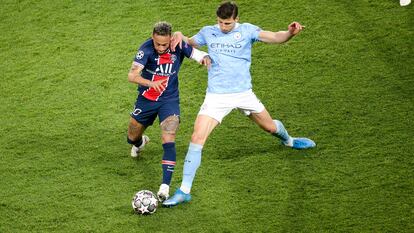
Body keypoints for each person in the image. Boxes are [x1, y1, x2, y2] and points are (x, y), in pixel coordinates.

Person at [163, 1, 315, 207]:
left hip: (244, 94)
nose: (223, 27)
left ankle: (289, 140)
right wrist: (180, 34)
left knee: (269, 127)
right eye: (220, 22)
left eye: (227, 23)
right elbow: (190, 43)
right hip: (217, 96)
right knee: (197, 136)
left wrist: (289, 33)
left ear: (236, 20)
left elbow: (275, 37)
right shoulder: (209, 32)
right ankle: (184, 190)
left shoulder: (248, 31)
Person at [127, 21, 210, 202]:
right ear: (152, 38)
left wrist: (205, 59)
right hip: (146, 99)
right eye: (158, 44)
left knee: (169, 135)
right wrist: (152, 83)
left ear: (171, 38)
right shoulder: (146, 49)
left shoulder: (177, 45)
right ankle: (140, 143)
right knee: (131, 137)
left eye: (165, 44)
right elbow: (132, 75)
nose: (162, 48)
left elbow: (198, 54)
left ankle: (165, 186)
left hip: (169, 100)